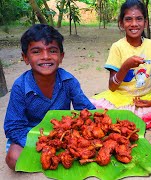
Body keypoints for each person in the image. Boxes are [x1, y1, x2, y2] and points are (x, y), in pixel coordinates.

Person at [4, 24, 96, 170]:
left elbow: (85, 110)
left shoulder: (68, 80)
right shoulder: (20, 86)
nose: (45, 57)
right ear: (25, 58)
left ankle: (55, 157)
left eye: (52, 51)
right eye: (36, 52)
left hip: (63, 134)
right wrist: (38, 143)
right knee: (13, 158)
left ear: (61, 56)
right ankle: (51, 157)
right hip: (31, 134)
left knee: (91, 146)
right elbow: (13, 127)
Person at [90, 0, 151, 128]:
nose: (134, 24)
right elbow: (112, 87)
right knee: (93, 108)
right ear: (121, 23)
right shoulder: (117, 47)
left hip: (146, 98)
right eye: (128, 19)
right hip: (121, 98)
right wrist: (126, 65)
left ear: (145, 23)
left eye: (139, 19)